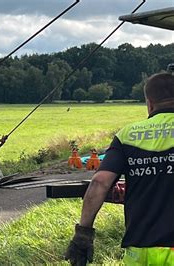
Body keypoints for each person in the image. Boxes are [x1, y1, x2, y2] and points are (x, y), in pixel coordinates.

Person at [65, 72, 174, 265]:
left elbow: (100, 182)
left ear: (149, 103)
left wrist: (83, 234)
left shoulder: (128, 135)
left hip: (139, 250)